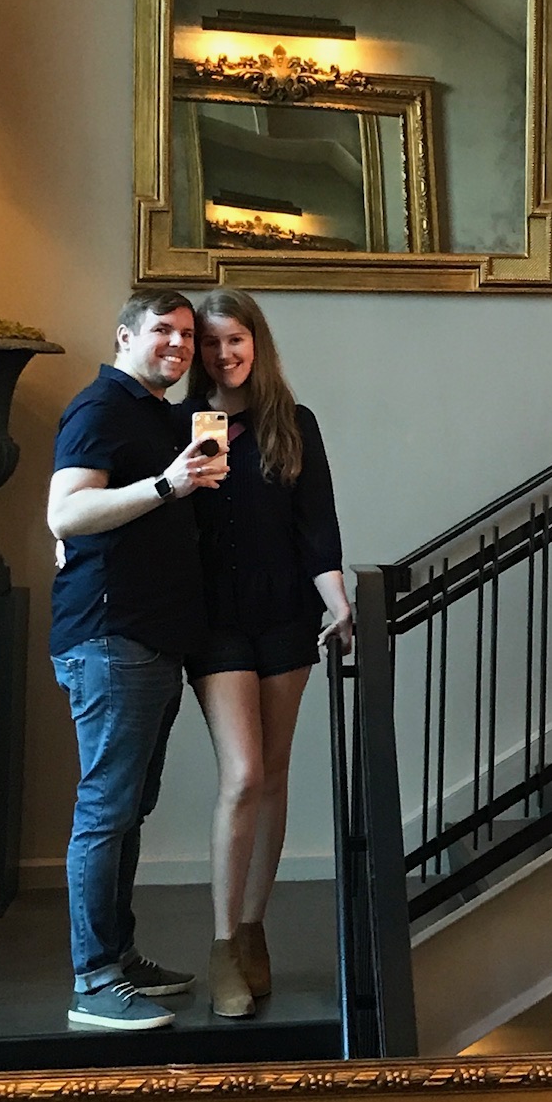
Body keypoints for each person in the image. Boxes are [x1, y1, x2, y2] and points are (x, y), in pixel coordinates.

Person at [47, 290, 228, 1032]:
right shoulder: (100, 408)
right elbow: (65, 513)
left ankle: (116, 957)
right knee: (104, 811)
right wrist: (165, 485)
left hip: (151, 639)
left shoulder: (159, 414)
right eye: (163, 331)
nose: (179, 345)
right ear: (125, 334)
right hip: (110, 636)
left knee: (127, 810)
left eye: (187, 334)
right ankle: (93, 980)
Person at [183, 288, 353, 1019]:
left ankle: (254, 930)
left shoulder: (295, 423)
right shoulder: (180, 423)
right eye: (213, 343)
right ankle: (222, 944)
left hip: (286, 613)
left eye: (236, 340)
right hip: (214, 620)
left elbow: (318, 529)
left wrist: (340, 601)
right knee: (243, 774)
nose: (225, 354)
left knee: (275, 775)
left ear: (257, 344)